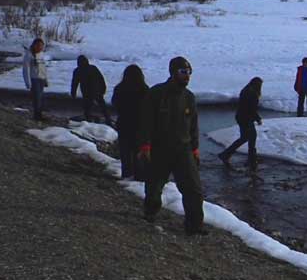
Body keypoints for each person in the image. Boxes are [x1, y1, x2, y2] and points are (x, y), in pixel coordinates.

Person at [138, 56, 206, 236]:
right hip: (160, 148)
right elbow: (145, 121)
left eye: (189, 72)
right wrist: (145, 146)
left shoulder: (189, 97)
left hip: (183, 149)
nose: (187, 76)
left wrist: (195, 148)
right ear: (173, 72)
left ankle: (194, 225)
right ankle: (150, 212)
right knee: (154, 186)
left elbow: (193, 125)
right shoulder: (156, 94)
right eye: (183, 72)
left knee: (194, 189)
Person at [111, 64, 149, 180]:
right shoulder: (144, 89)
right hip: (139, 125)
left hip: (124, 124)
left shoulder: (119, 88)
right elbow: (149, 109)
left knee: (125, 152)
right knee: (139, 151)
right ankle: (139, 176)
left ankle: (126, 175)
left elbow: (115, 104)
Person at [218, 77, 264, 168]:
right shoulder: (252, 93)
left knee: (246, 137)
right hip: (246, 118)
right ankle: (251, 159)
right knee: (250, 137)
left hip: (241, 117)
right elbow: (252, 109)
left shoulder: (246, 90)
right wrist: (258, 119)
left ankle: (227, 154)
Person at [71, 55, 111, 124]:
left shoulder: (78, 70)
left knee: (87, 107)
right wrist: (103, 88)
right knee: (102, 106)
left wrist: (73, 93)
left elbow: (74, 83)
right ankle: (107, 119)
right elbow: (101, 79)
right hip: (96, 90)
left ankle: (88, 120)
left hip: (87, 91)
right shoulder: (92, 68)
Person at [21, 38, 47, 121]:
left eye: (42, 46)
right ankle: (37, 115)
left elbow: (43, 68)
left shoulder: (41, 54)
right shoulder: (29, 55)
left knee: (40, 97)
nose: (41, 48)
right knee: (36, 98)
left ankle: (39, 114)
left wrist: (46, 79)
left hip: (41, 79)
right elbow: (26, 69)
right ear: (35, 45)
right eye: (39, 46)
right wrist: (28, 82)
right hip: (34, 78)